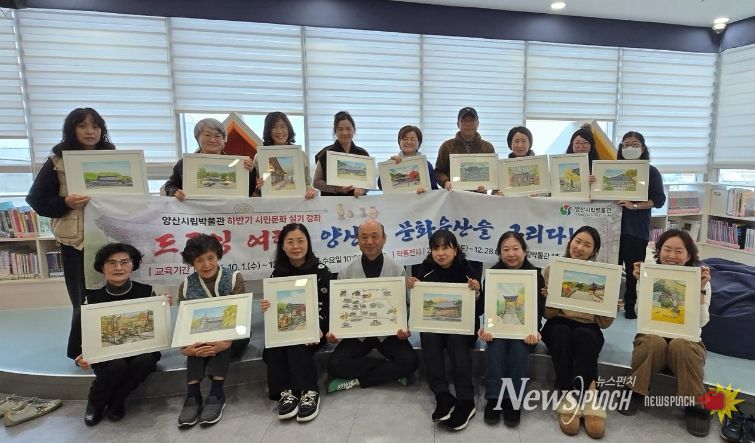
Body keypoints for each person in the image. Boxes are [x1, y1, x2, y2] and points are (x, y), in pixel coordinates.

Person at [25, 107, 116, 360]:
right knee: (82, 297)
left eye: (95, 126)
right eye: (82, 126)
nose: (90, 131)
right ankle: (81, 351)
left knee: (113, 292)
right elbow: (36, 199)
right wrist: (66, 202)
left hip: (110, 238)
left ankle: (115, 345)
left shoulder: (113, 158)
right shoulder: (57, 161)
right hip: (77, 242)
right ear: (71, 129)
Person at [619, 229, 712, 437]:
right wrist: (641, 282)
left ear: (689, 255)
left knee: (681, 345)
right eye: (666, 249)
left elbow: (702, 321)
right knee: (652, 341)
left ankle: (696, 403)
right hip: (653, 337)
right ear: (659, 252)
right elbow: (639, 313)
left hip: (687, 342)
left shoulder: (699, 278)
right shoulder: (650, 274)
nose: (671, 256)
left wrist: (701, 288)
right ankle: (635, 390)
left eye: (679, 251)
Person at [73, 243, 162, 426]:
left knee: (145, 360)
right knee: (116, 365)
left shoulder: (146, 292)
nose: (119, 267)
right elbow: (82, 331)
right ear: (102, 267)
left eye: (124, 262)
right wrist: (81, 355)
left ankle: (117, 399)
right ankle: (96, 403)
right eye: (112, 263)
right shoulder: (92, 298)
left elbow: (157, 328)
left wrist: (162, 308)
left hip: (140, 349)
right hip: (107, 353)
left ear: (133, 264)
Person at [326, 219, 419, 392]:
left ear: (384, 239)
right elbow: (340, 308)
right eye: (364, 237)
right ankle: (390, 371)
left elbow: (406, 304)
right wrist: (336, 332)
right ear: (358, 240)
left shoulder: (397, 269)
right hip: (358, 333)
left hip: (389, 333)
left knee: (411, 361)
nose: (369, 242)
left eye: (375, 236)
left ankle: (358, 379)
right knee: (334, 364)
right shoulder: (346, 271)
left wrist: (405, 328)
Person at [540, 226, 613, 439]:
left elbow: (604, 323)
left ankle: (590, 396)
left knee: (584, 336)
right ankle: (568, 394)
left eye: (587, 245)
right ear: (570, 242)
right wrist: (550, 297)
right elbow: (548, 315)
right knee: (562, 332)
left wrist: (609, 307)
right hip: (557, 323)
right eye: (577, 241)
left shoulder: (603, 275)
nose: (580, 248)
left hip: (588, 326)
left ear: (594, 251)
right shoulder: (552, 269)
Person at [408, 230, 483, 431]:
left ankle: (466, 400)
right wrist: (414, 288)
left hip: (464, 328)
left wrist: (476, 292)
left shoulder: (468, 269)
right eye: (436, 248)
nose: (440, 253)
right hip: (437, 325)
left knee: (456, 339)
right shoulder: (425, 269)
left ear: (455, 250)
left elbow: (481, 309)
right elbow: (419, 305)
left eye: (445, 248)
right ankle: (442, 395)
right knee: (428, 335)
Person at [176, 234, 250, 429]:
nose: (206, 264)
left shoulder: (233, 278)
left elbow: (241, 316)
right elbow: (185, 323)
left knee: (220, 342)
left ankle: (217, 393)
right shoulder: (186, 286)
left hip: (236, 334)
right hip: (202, 337)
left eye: (210, 258)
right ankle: (193, 395)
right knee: (196, 344)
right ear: (192, 262)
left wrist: (226, 341)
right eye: (199, 260)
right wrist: (185, 348)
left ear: (218, 256)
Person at [260, 223, 331, 422]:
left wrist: (317, 328)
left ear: (308, 243)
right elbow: (276, 308)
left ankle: (309, 391)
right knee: (274, 345)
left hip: (317, 329)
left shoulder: (321, 271)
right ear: (282, 246)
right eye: (290, 242)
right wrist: (267, 306)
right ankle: (286, 393)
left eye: (300, 241)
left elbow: (329, 305)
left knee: (298, 342)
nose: (296, 246)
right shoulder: (277, 274)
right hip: (289, 325)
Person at [478, 231, 545, 427]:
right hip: (499, 328)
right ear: (499, 253)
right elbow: (489, 308)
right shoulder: (492, 274)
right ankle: (494, 397)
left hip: (526, 332)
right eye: (505, 249)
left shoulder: (536, 276)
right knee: (495, 344)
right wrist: (487, 327)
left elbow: (538, 311)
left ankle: (513, 400)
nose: (511, 254)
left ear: (525, 251)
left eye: (516, 248)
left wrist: (534, 330)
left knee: (519, 346)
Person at [614, 131, 666, 319]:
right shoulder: (611, 169)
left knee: (633, 269)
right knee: (611, 268)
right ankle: (609, 305)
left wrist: (634, 206)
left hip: (636, 228)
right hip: (612, 228)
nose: (630, 148)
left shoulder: (651, 172)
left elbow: (659, 200)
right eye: (626, 144)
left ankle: (630, 306)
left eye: (635, 144)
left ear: (643, 148)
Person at [163, 118, 255, 200]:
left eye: (217, 136)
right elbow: (170, 185)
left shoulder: (237, 163)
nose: (212, 140)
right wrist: (174, 191)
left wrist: (250, 171)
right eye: (207, 135)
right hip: (195, 211)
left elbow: (248, 192)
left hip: (226, 211)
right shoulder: (185, 164)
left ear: (224, 140)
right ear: (197, 137)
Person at [251, 111, 317, 199]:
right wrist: (257, 188)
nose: (279, 131)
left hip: (297, 204)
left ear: (289, 128)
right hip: (270, 204)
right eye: (273, 127)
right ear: (268, 131)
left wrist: (310, 191)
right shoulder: (260, 156)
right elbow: (256, 192)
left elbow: (307, 183)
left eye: (283, 126)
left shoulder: (301, 155)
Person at [434, 107, 495, 191]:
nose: (468, 124)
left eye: (472, 120)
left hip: (479, 195)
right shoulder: (447, 146)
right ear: (458, 124)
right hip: (454, 194)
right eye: (464, 120)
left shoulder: (488, 147)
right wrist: (445, 182)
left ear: (478, 123)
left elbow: (493, 174)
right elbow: (438, 172)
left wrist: (487, 186)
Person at [313, 111, 370, 197]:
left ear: (354, 130)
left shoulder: (363, 154)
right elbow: (316, 182)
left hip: (357, 201)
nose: (345, 133)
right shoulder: (325, 154)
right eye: (340, 129)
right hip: (332, 201)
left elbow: (369, 182)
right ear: (335, 131)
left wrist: (363, 189)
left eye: (348, 129)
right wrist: (336, 189)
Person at [377, 125, 439, 193]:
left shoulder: (426, 165)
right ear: (399, 142)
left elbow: (434, 190)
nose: (409, 142)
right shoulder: (392, 163)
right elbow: (381, 186)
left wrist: (425, 191)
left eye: (413, 139)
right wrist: (388, 165)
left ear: (419, 142)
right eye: (405, 139)